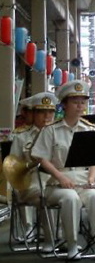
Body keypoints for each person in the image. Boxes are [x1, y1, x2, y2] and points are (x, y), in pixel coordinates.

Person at [31, 81, 95, 261]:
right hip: (57, 183)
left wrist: (91, 178)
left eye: (83, 101)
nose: (80, 105)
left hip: (82, 180)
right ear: (64, 104)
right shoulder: (51, 130)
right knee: (70, 198)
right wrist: (60, 176)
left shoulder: (89, 129)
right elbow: (42, 158)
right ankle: (72, 244)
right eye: (75, 101)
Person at [8, 93, 57, 243]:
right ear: (34, 114)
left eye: (50, 112)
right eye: (42, 112)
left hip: (53, 178)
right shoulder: (22, 136)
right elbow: (13, 165)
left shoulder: (59, 133)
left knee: (65, 193)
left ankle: (60, 232)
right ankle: (38, 230)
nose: (47, 116)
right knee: (41, 194)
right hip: (30, 180)